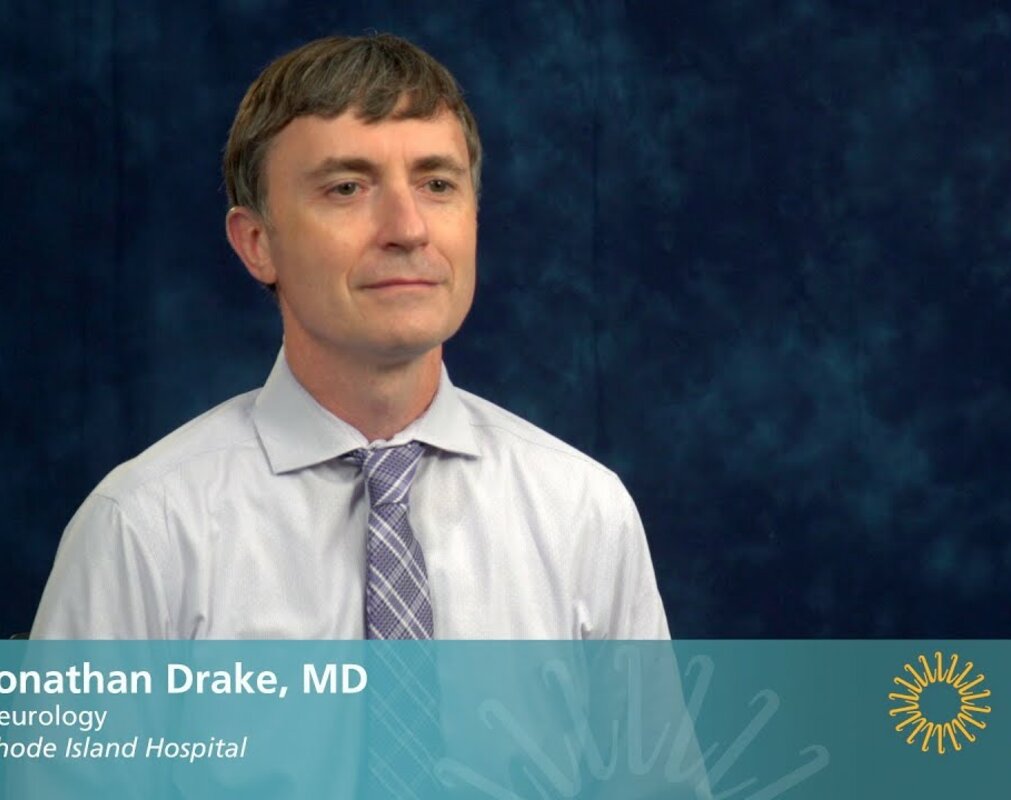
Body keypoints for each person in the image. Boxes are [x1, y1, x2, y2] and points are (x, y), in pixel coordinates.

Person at [31, 34, 670, 640]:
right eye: (347, 188)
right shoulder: (141, 530)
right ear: (256, 243)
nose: (408, 229)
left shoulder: (584, 514)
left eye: (437, 184)